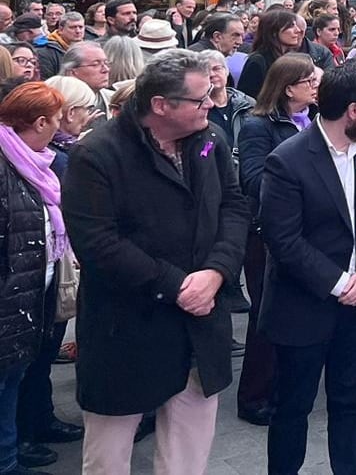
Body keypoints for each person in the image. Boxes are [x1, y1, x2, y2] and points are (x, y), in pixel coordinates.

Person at [62, 50, 248, 472]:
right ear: (161, 105)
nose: (212, 104)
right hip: (126, 328)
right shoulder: (98, 153)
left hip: (200, 325)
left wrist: (218, 272)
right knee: (108, 457)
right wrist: (177, 285)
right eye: (201, 99)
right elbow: (97, 243)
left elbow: (235, 207)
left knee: (187, 456)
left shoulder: (210, 139)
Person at [261, 64, 356, 475]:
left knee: (350, 403)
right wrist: (341, 283)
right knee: (292, 408)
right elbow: (283, 239)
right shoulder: (287, 160)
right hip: (305, 307)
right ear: (354, 111)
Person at [234, 53, 319, 426]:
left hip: (308, 230)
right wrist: (304, 183)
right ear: (288, 88)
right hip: (265, 232)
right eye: (310, 82)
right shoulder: (258, 126)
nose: (317, 87)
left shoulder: (315, 120)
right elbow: (253, 179)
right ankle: (253, 395)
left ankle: (285, 385)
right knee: (266, 312)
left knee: (296, 311)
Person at [0, 83, 71, 475]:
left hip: (27, 298)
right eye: (57, 119)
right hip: (10, 303)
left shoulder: (32, 161)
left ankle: (9, 458)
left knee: (13, 384)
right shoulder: (7, 164)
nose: (60, 128)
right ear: (40, 121)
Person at [236, 9, 307, 97]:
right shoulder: (258, 61)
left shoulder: (292, 58)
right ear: (274, 31)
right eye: (291, 26)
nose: (298, 30)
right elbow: (248, 98)